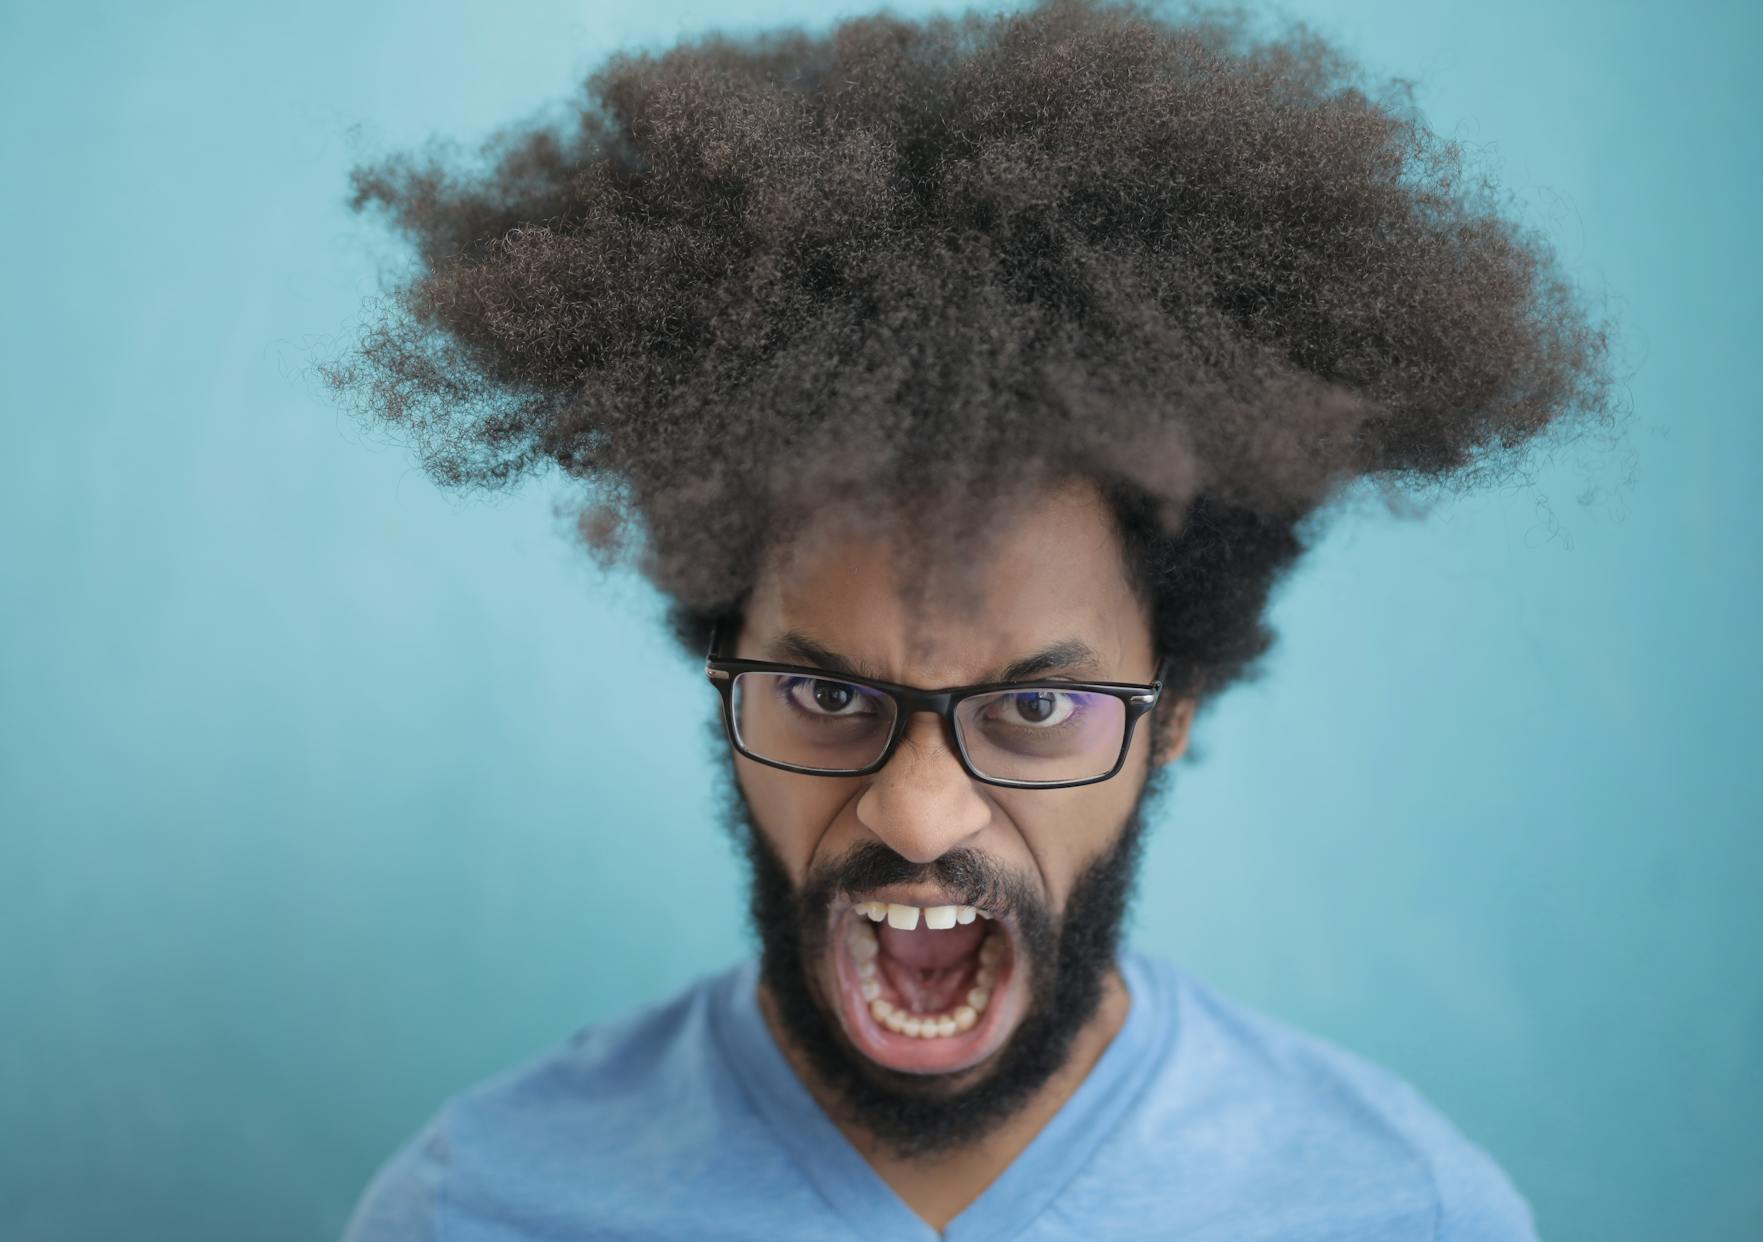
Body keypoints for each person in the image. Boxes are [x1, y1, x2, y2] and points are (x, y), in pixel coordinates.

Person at [321, 0, 1617, 1237]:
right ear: (725, 675)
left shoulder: (1404, 1214)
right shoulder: (475, 1209)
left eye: (1036, 705)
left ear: (1172, 711)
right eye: (829, 697)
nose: (919, 811)